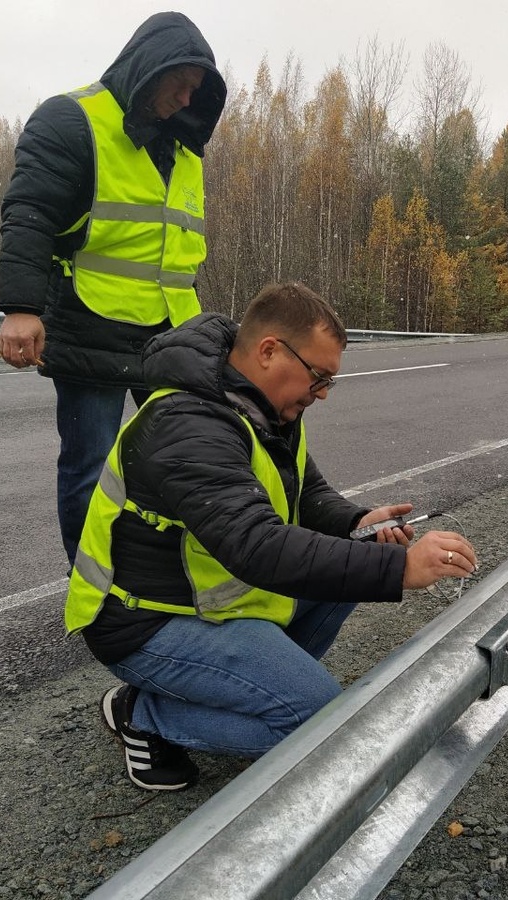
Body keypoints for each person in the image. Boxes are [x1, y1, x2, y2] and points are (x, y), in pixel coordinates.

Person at [64, 283, 478, 791]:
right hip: (143, 621)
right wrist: (402, 569)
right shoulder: (187, 423)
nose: (322, 393)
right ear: (268, 352)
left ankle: (254, 688)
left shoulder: (265, 408)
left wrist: (358, 523)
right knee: (319, 723)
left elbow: (307, 492)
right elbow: (255, 545)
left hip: (208, 597)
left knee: (356, 563)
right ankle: (145, 713)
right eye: (319, 377)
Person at [0, 12, 228, 567]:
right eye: (180, 82)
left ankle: (169, 576)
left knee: (185, 456)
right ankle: (94, 589)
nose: (184, 97)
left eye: (197, 90)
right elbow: (29, 214)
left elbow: (174, 250)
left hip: (172, 334)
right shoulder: (72, 120)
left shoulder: (183, 147)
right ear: (150, 69)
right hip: (90, 322)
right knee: (90, 467)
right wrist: (22, 308)